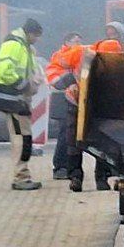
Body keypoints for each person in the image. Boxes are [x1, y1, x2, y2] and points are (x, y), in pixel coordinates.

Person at [0, 19, 44, 191]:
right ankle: (21, 177)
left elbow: (24, 70)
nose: (37, 40)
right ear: (30, 33)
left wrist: (33, 82)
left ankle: (22, 175)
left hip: (17, 99)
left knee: (23, 137)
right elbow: (5, 72)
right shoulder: (14, 44)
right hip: (13, 98)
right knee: (22, 137)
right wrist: (25, 86)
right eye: (37, 36)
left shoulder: (23, 46)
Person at [45, 34, 85, 181]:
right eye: (75, 41)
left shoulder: (79, 55)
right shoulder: (61, 56)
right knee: (64, 135)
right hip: (62, 99)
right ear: (66, 42)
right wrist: (68, 81)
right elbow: (55, 78)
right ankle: (60, 167)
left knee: (70, 135)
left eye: (80, 41)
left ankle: (67, 167)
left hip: (74, 98)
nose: (79, 44)